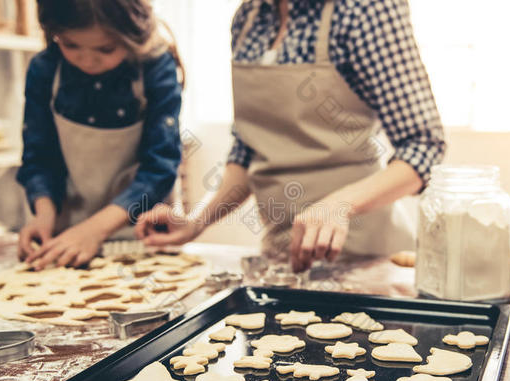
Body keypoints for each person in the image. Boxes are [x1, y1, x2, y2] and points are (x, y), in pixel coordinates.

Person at [137, 0, 446, 272]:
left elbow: (423, 146)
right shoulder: (249, 18)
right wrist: (195, 223)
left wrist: (340, 204)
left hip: (364, 256)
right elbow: (248, 150)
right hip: (282, 256)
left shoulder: (365, 9)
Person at [16, 0, 183, 269]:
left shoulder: (155, 67)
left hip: (141, 235)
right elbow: (40, 156)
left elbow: (160, 167)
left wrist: (95, 230)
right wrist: (43, 216)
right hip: (66, 235)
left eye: (105, 49)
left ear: (133, 37)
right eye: (70, 45)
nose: (87, 59)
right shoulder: (45, 69)